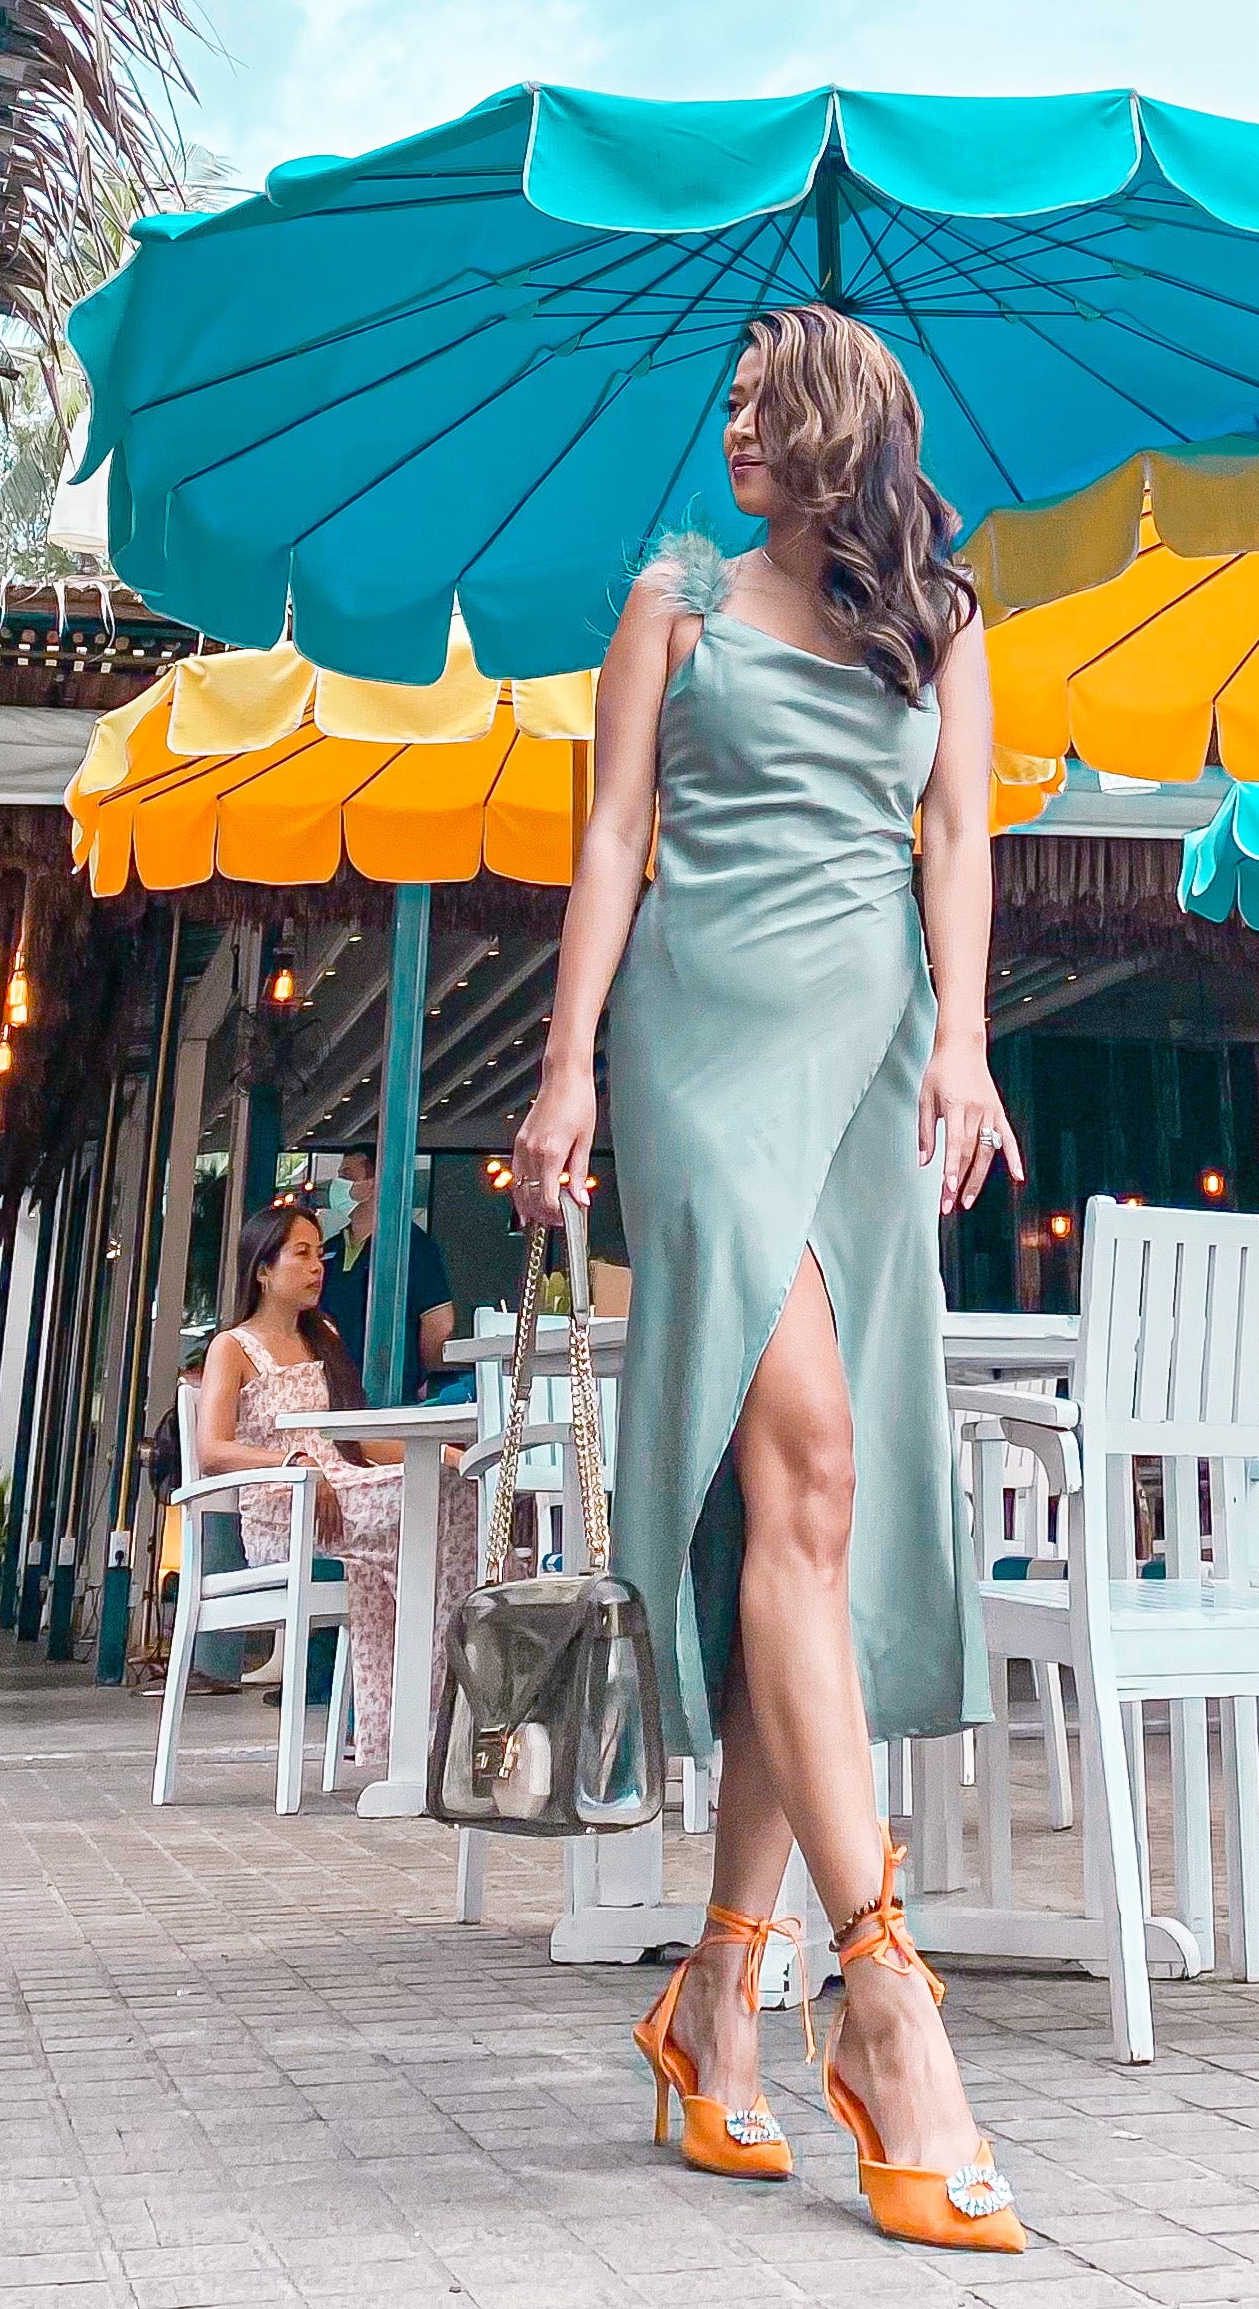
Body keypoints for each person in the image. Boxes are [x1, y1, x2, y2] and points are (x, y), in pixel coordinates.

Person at [510, 304, 1028, 2253]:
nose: (725, 428)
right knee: (800, 1459)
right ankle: (881, 2002)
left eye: (755, 401)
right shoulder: (667, 600)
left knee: (791, 1521)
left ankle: (717, 2000)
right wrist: (563, 1071)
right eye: (720, 401)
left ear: (837, 427)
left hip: (871, 1047)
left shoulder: (943, 624)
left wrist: (966, 1044)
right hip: (699, 1042)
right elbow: (614, 835)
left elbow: (958, 835)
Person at [191, 1200, 472, 1772]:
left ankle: (439, 1726)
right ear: (262, 1270)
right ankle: (437, 1729)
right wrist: (294, 1463)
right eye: (302, 1254)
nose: (318, 1267)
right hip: (284, 1509)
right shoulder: (233, 1347)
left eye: (320, 1254)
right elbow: (212, 1449)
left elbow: (358, 1442)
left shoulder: (325, 1338)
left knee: (454, 1489)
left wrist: (440, 1454)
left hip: (345, 1492)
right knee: (439, 1513)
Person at [319, 1147, 461, 1398]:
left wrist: (418, 1381)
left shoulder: (414, 1248)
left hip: (388, 1395)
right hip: (328, 1390)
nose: (338, 1185)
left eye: (347, 1175)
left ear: (373, 1184)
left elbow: (438, 1325)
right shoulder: (329, 1249)